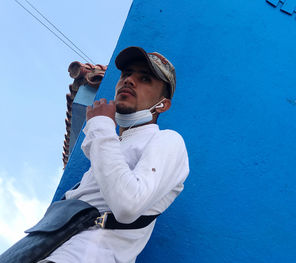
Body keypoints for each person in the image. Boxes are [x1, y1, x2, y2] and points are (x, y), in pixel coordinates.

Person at [39, 46, 190, 262]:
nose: (129, 80)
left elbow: (128, 204)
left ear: (163, 105)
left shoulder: (168, 140)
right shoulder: (112, 145)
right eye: (126, 74)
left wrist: (100, 125)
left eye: (145, 78)